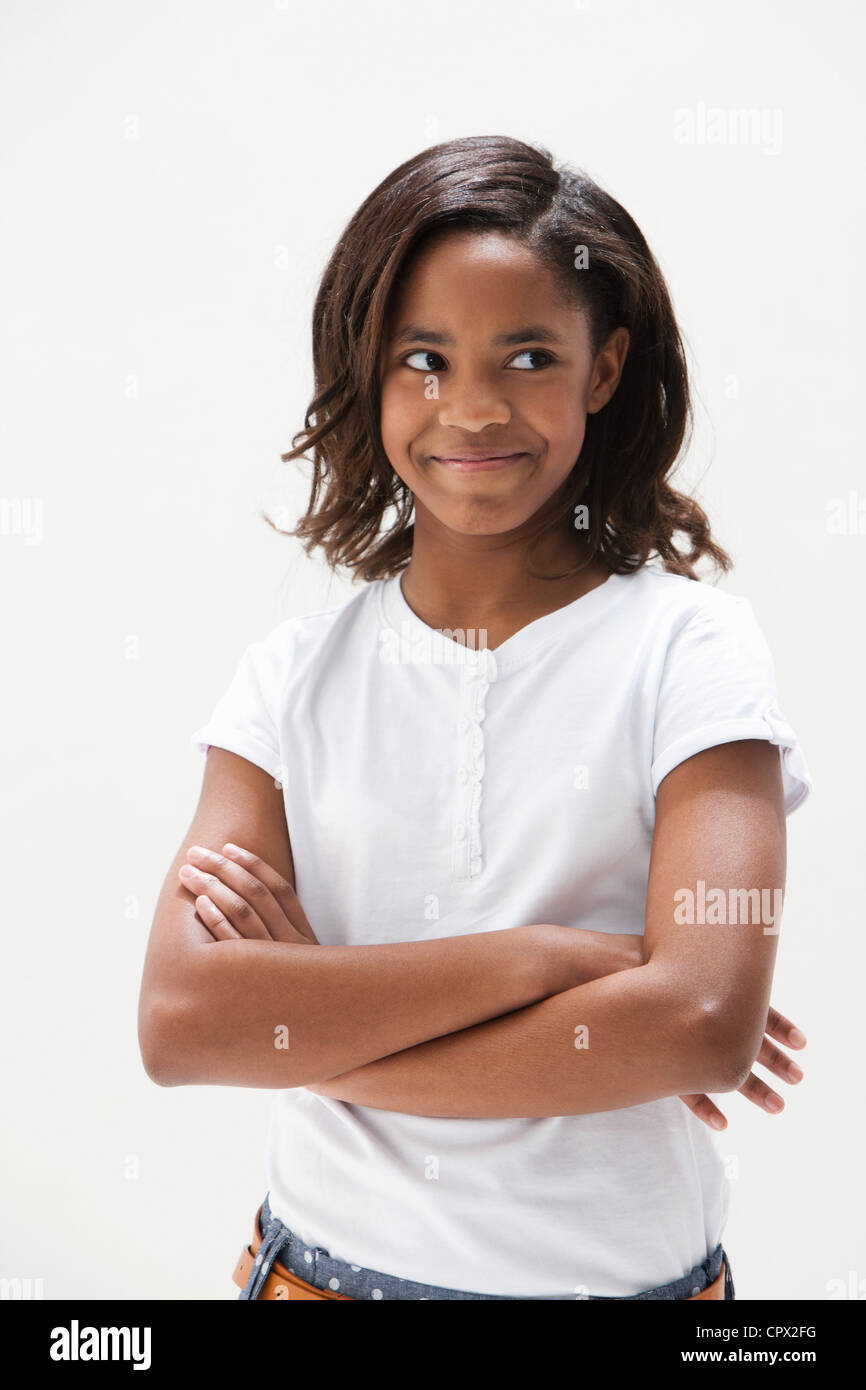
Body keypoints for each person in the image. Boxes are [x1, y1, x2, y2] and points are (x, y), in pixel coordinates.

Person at [138, 134, 811, 1301]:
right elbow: (185, 1025)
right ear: (371, 371)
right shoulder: (286, 682)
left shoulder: (694, 654)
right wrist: (549, 960)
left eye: (528, 354)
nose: (474, 406)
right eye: (424, 358)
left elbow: (699, 1020)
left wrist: (316, 1012)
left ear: (602, 371)